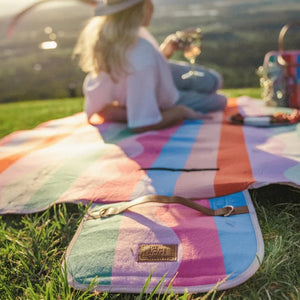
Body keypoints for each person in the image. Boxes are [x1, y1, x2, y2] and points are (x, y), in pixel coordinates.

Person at [74, 0, 227, 133]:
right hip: (159, 94)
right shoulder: (141, 53)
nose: (152, 6)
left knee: (214, 80)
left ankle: (130, 109)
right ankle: (140, 109)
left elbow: (135, 69)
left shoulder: (112, 36)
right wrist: (180, 112)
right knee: (219, 100)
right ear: (141, 9)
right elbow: (142, 124)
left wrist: (165, 51)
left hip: (155, 77)